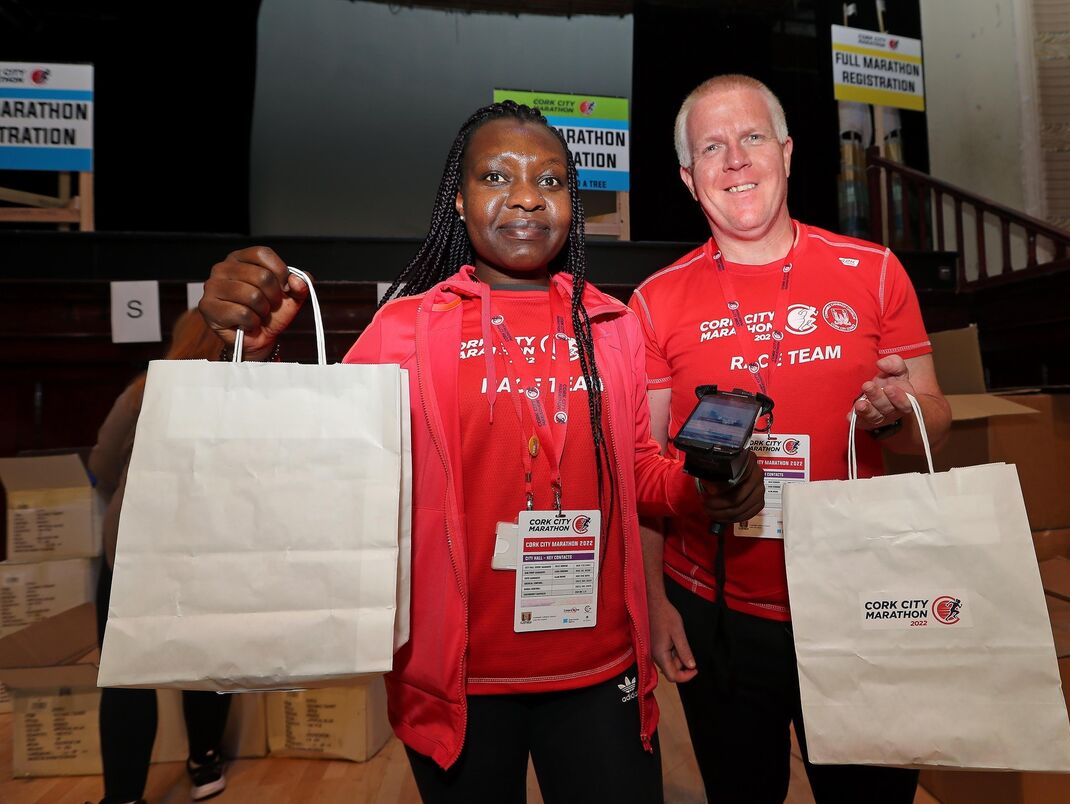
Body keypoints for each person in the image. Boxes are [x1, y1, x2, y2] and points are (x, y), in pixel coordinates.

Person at [197, 99, 764, 804]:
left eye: (551, 181)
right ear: (459, 202)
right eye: (498, 177)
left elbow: (641, 472)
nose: (528, 195)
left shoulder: (613, 327)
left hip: (599, 669)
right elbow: (320, 464)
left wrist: (703, 488)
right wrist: (248, 347)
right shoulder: (405, 329)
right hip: (458, 682)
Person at [629, 74, 952, 804]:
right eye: (712, 147)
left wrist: (900, 413)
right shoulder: (654, 303)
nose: (736, 160)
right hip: (715, 612)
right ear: (689, 178)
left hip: (862, 604)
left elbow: (936, 422)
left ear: (787, 150)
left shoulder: (873, 273)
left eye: (751, 138)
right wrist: (655, 604)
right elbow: (643, 469)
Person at [90, 309, 233, 804]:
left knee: (128, 673)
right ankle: (205, 764)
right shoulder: (243, 397)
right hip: (210, 547)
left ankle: (125, 796)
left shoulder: (144, 390)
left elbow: (102, 463)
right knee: (206, 659)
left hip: (135, 547)